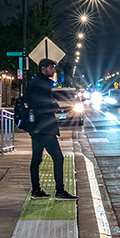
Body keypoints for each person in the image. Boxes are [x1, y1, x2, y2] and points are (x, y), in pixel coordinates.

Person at [24, 58, 77, 200]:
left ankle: (36, 190)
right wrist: (55, 106)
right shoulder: (43, 85)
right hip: (44, 127)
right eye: (51, 67)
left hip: (36, 126)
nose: (54, 70)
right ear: (43, 69)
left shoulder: (35, 83)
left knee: (36, 159)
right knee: (58, 158)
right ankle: (60, 191)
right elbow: (42, 105)